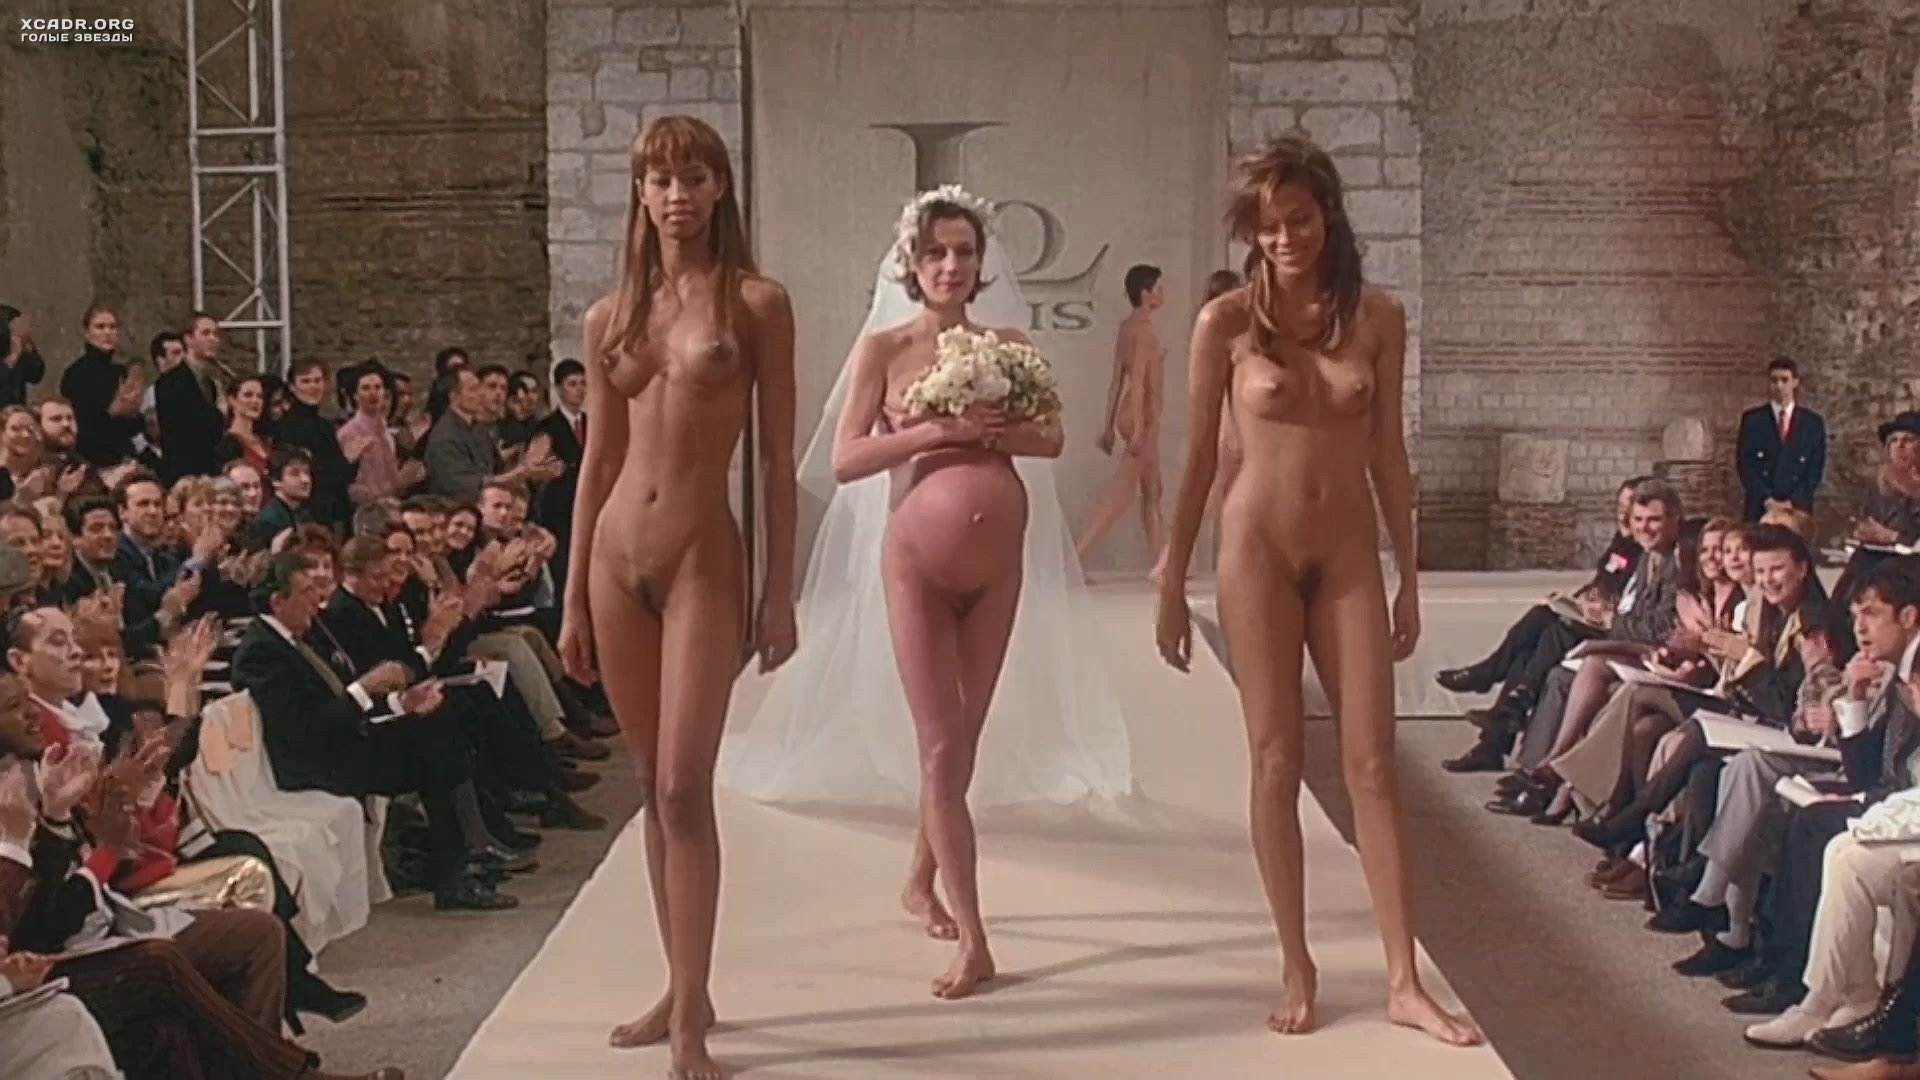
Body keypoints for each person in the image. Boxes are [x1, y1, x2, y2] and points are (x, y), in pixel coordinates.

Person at [716, 186, 1131, 958]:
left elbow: (1052, 438)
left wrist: (993, 432)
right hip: (918, 567)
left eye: (965, 252)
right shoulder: (883, 350)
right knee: (939, 747)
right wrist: (934, 431)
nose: (951, 265)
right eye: (936, 252)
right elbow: (844, 459)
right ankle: (974, 935)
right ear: (912, 261)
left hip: (998, 569)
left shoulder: (1007, 342)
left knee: (962, 742)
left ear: (982, 263)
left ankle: (918, 878)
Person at [1154, 135, 1482, 1046]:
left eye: (1297, 219)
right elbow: (1196, 460)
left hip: (1346, 557)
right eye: (1267, 227)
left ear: (1327, 216)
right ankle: (1297, 965)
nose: (1284, 239)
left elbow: (1390, 458)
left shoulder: (1377, 318)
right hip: (1254, 551)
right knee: (1275, 760)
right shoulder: (1224, 324)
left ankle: (1404, 980)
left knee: (1373, 764)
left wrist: (1410, 576)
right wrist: (1171, 579)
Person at [555, 114, 798, 1080]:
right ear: (640, 191)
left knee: (685, 786)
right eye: (660, 178)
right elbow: (596, 461)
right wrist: (571, 598)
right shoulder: (609, 317)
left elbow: (776, 457)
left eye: (694, 176)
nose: (676, 195)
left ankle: (694, 1016)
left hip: (704, 557)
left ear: (720, 188)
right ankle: (679, 984)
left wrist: (780, 590)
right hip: (616, 559)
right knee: (649, 781)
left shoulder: (756, 304)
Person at [1074, 263, 1165, 574]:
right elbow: (1136, 381)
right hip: (1142, 417)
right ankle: (1074, 560)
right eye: (1158, 288)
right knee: (1120, 495)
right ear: (1146, 293)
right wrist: (1138, 428)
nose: (1162, 293)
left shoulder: (1128, 328)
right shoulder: (1144, 331)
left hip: (1137, 416)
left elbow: (1116, 381)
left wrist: (1109, 426)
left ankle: (1162, 562)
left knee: (1152, 492)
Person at [1737, 354, 1826, 521]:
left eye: (1785, 380)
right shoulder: (1753, 420)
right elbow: (1745, 464)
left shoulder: (1812, 424)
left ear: (1795, 382)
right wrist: (1766, 500)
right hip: (1760, 508)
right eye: (1774, 380)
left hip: (1796, 510)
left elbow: (1815, 469)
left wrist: (1792, 502)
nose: (1779, 386)